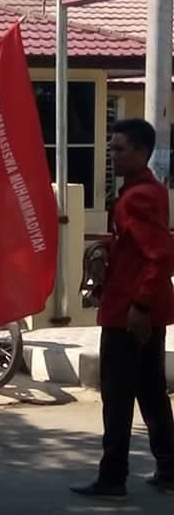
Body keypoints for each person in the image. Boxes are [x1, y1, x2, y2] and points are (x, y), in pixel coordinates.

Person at [71, 118, 174, 499]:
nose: (112, 155)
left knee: (118, 397)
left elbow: (159, 254)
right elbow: (141, 248)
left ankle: (113, 477)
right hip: (144, 308)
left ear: (142, 152)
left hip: (130, 312)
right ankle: (168, 468)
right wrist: (109, 250)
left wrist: (140, 304)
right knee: (150, 391)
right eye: (111, 147)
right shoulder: (147, 190)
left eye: (120, 149)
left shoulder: (139, 196)